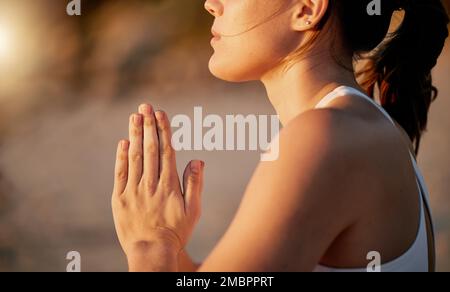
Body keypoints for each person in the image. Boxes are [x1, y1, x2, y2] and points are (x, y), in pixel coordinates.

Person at [111, 0, 449, 272]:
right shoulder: (364, 127)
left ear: (307, 9)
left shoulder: (325, 139)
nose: (211, 4)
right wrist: (172, 247)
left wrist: (150, 250)